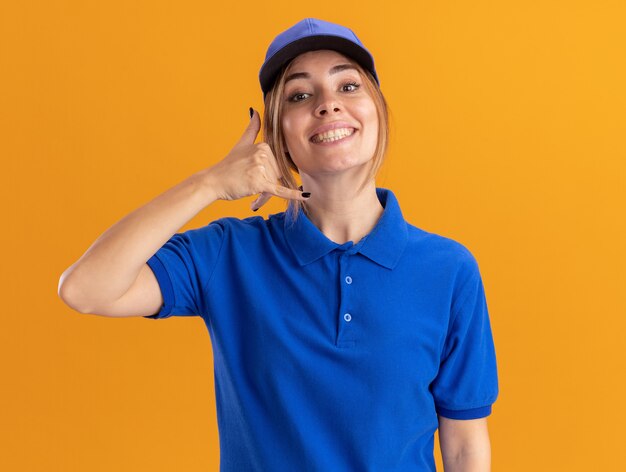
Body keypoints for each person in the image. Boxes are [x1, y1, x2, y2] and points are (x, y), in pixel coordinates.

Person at [58, 18, 498, 472]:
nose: (328, 105)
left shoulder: (449, 270)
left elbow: (464, 445)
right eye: (300, 96)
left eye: (348, 86)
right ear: (277, 136)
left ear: (378, 111)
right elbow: (85, 289)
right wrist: (208, 184)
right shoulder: (228, 255)